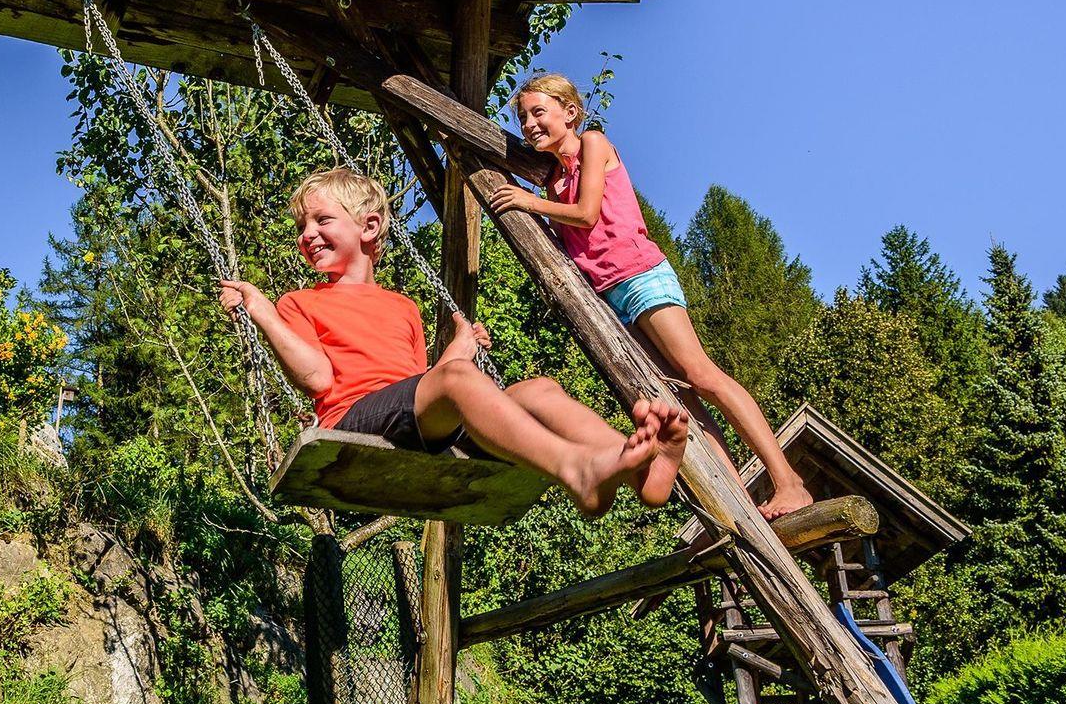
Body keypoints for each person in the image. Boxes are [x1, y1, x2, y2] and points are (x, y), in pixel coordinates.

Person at [220, 166, 686, 517]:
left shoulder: (403, 307)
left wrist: (458, 352)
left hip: (412, 426)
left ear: (369, 227)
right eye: (302, 227)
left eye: (321, 220)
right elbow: (317, 378)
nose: (308, 235)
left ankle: (636, 468)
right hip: (352, 421)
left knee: (538, 390)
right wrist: (262, 311)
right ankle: (575, 468)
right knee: (457, 379)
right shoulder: (299, 303)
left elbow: (419, 385)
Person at [485, 71, 814, 518]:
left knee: (701, 375)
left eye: (538, 112)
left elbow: (587, 213)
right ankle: (742, 504)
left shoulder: (593, 144)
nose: (529, 124)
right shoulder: (554, 180)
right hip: (611, 297)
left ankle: (788, 481)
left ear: (570, 112)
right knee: (680, 401)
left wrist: (527, 202)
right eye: (523, 118)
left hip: (640, 276)